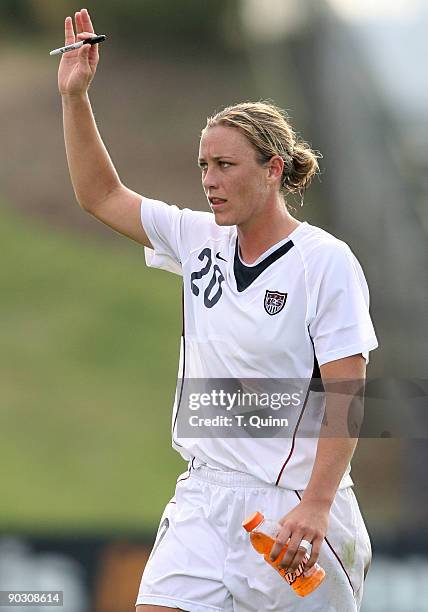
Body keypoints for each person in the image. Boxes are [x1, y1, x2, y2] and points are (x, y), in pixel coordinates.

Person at [58, 9, 378, 612]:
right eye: (204, 165)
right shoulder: (197, 238)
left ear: (273, 170)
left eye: (226, 166)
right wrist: (76, 98)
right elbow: (100, 195)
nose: (209, 179)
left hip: (290, 509)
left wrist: (316, 504)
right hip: (204, 499)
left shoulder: (324, 262)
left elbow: (349, 390)